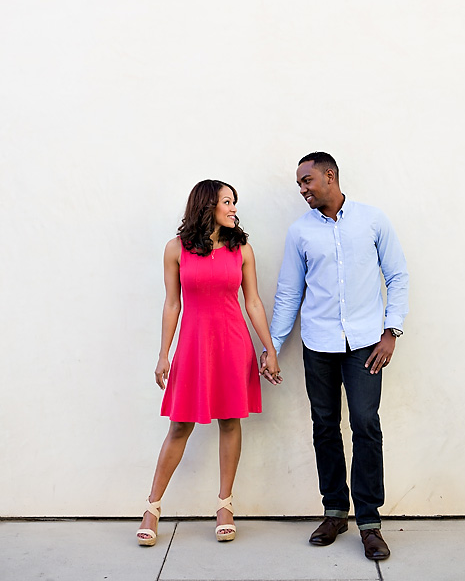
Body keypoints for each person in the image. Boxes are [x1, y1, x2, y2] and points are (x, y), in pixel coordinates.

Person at [261, 152, 408, 561]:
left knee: (365, 423)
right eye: (298, 184)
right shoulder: (300, 233)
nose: (303, 189)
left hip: (365, 343)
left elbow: (397, 275)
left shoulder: (373, 220)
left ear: (330, 176)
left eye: (307, 181)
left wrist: (391, 331)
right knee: (324, 425)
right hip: (319, 345)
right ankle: (334, 511)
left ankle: (370, 521)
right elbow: (290, 292)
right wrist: (272, 347)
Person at [137, 179, 282, 546]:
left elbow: (253, 303)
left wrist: (270, 349)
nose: (234, 208)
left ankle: (225, 505)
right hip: (194, 346)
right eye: (227, 202)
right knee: (180, 425)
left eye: (235, 202)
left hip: (233, 345)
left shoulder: (242, 248)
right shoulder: (176, 249)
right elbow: (173, 304)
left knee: (230, 421)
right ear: (207, 206)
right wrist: (163, 354)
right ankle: (152, 508)